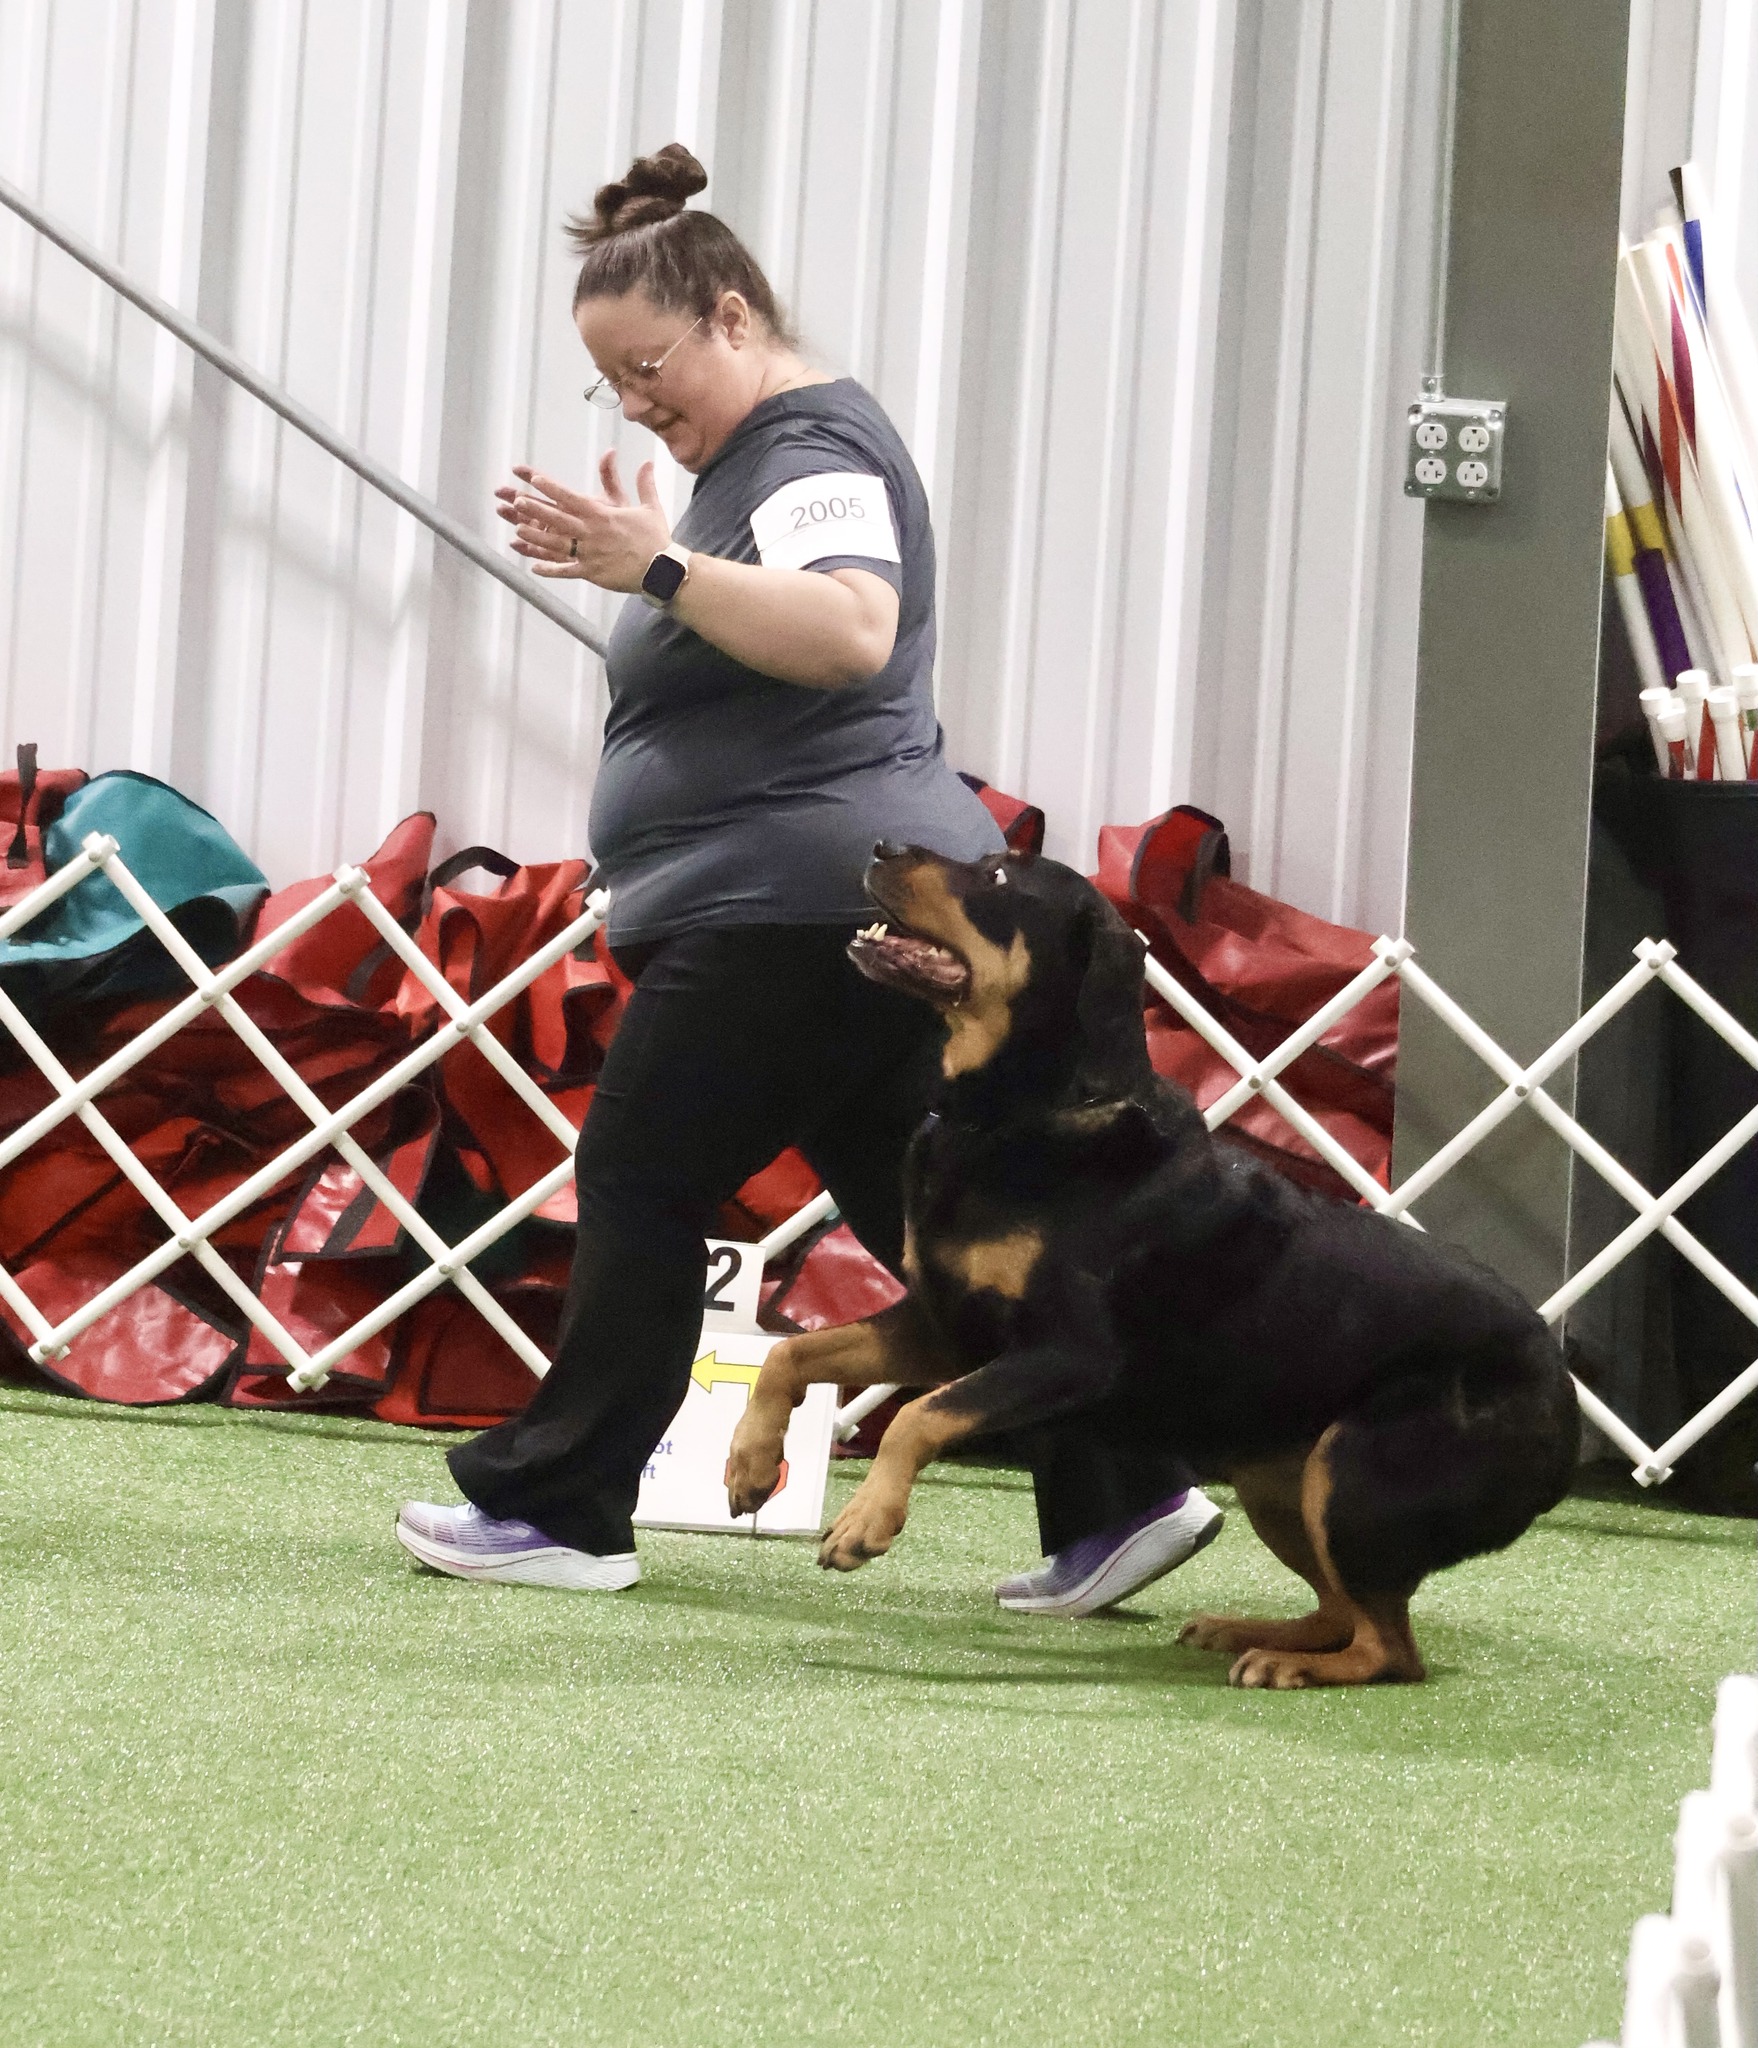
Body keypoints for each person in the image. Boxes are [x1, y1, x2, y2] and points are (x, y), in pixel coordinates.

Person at [395, 143, 1222, 1614]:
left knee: (642, 1174)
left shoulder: (809, 453)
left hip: (796, 909)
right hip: (835, 903)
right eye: (610, 384)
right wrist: (649, 561)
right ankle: (1122, 1492)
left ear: (729, 316)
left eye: (649, 366)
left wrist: (654, 569)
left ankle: (562, 1502)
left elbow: (848, 630)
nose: (638, 402)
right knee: (932, 1232)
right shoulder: (748, 472)